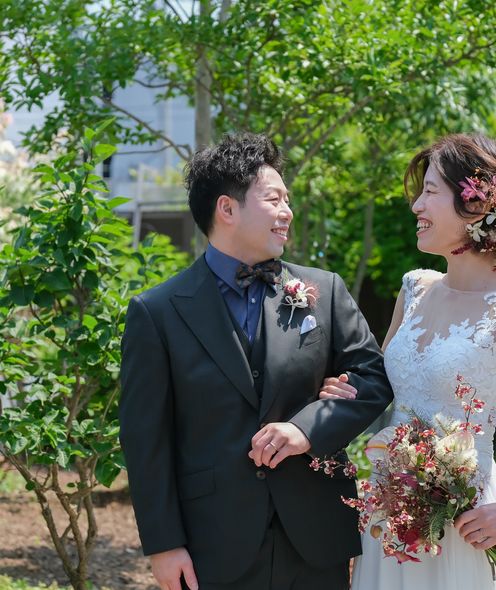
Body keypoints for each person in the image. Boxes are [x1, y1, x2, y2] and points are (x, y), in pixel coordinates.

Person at [119, 132, 393, 590]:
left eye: (288, 200)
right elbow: (145, 439)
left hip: (314, 537)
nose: (288, 211)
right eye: (274, 199)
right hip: (212, 543)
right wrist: (163, 545)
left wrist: (307, 428)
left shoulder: (324, 291)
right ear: (227, 209)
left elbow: (374, 378)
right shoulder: (158, 312)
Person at [320, 133, 496, 589]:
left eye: (430, 191)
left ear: (476, 203)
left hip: (467, 519)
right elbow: (380, 387)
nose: (417, 206)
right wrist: (346, 391)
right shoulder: (415, 288)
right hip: (388, 510)